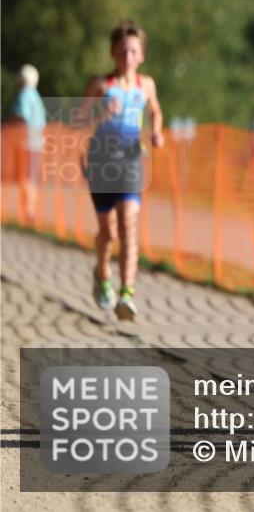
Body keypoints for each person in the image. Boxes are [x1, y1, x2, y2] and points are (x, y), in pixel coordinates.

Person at [82, 21, 165, 320]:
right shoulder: (101, 85)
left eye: (132, 51)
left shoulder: (147, 85)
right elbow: (77, 118)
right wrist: (101, 113)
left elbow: (155, 110)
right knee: (108, 232)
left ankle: (127, 293)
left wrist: (156, 131)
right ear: (112, 53)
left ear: (141, 55)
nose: (127, 57)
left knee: (129, 223)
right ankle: (101, 273)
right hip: (101, 163)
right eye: (122, 51)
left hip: (131, 160)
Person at [11, 64, 46, 226]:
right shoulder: (36, 96)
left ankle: (28, 212)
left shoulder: (24, 94)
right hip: (38, 143)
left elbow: (21, 117)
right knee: (32, 178)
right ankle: (30, 212)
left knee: (24, 178)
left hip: (26, 143)